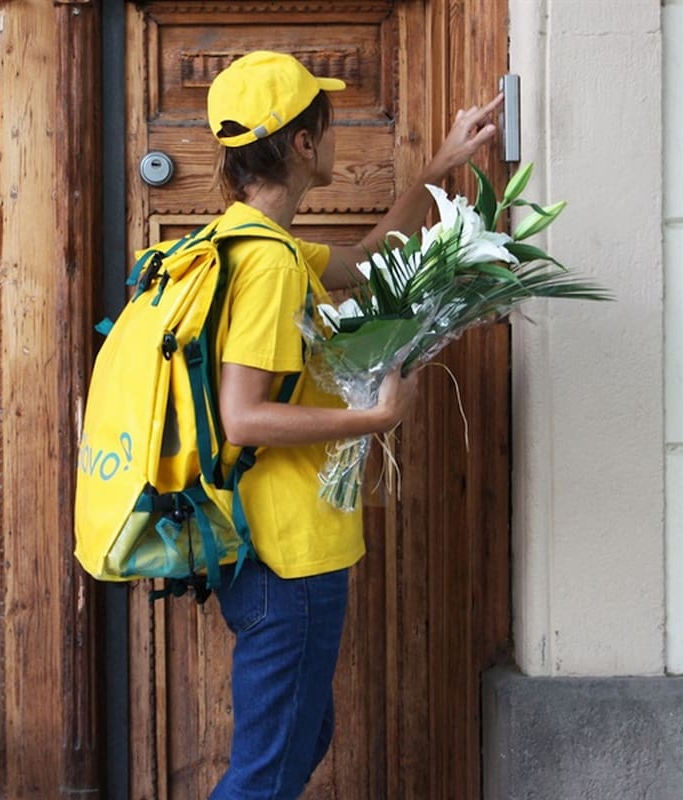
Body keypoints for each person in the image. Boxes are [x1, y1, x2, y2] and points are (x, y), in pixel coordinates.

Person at [202, 51, 503, 799]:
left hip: (271, 550)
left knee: (301, 741)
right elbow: (241, 416)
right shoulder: (268, 266)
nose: (334, 138)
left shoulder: (248, 240)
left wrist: (441, 164)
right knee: (267, 773)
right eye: (325, 125)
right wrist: (374, 415)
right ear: (302, 145)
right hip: (287, 556)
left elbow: (369, 261)